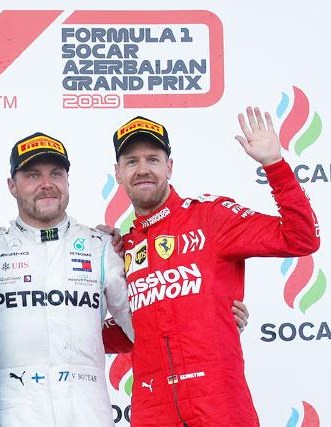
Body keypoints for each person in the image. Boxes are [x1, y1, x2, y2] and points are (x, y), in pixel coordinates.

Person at [112, 112, 320, 426]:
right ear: (118, 173)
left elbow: (301, 238)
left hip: (220, 409)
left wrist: (274, 164)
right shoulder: (120, 249)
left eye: (153, 159)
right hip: (153, 412)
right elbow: (127, 331)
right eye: (131, 161)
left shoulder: (211, 218)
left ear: (169, 167)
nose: (143, 170)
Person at [0, 132, 134, 427]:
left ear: (67, 181)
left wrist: (210, 319)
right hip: (17, 415)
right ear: (12, 186)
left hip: (89, 415)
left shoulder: (100, 246)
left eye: (56, 174)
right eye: (33, 175)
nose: (46, 184)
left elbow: (144, 326)